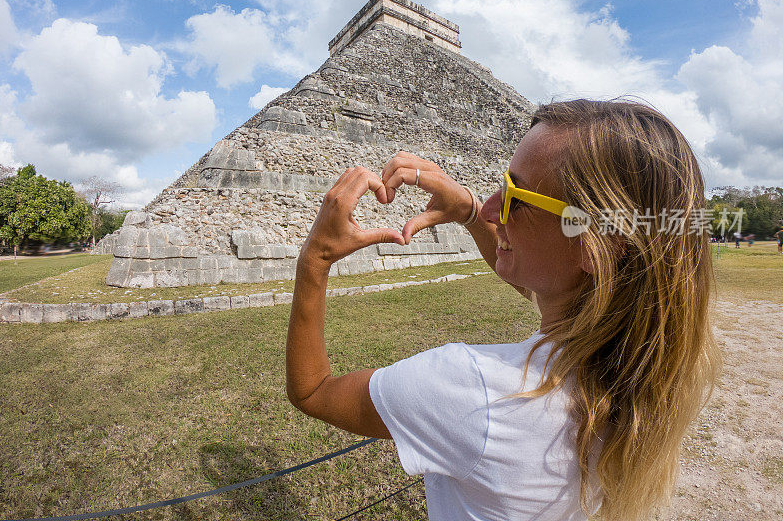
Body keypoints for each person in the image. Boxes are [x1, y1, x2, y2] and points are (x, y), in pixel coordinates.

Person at [286, 99, 721, 521]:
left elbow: (314, 391)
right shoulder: (639, 364)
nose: (494, 206)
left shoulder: (475, 390)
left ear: (596, 245)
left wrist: (316, 258)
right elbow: (554, 282)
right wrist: (470, 211)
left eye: (516, 195)